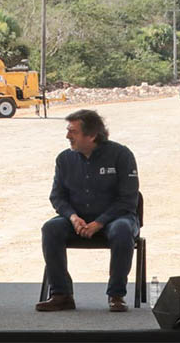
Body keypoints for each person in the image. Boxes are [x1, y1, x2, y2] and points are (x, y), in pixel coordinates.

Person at [36, 109, 140, 313]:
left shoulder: (121, 155)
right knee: (50, 229)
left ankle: (116, 295)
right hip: (77, 220)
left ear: (91, 135)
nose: (67, 136)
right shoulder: (64, 159)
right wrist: (73, 217)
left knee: (122, 231)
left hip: (116, 219)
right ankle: (61, 294)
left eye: (73, 132)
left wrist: (99, 222)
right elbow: (57, 196)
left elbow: (128, 199)